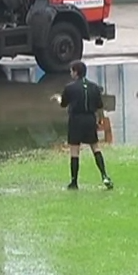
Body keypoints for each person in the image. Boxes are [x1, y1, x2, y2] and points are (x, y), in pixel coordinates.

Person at [51, 60, 113, 190]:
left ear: (75, 72)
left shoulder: (69, 88)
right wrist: (100, 120)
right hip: (90, 119)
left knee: (74, 150)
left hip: (76, 120)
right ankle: (104, 176)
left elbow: (64, 104)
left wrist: (58, 98)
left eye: (71, 71)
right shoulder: (94, 87)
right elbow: (99, 107)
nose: (70, 73)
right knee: (95, 147)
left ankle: (74, 182)